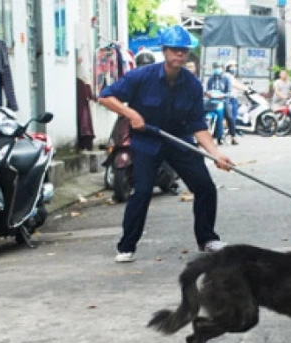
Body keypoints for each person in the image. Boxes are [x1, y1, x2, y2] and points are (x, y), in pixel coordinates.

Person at [98, 25, 233, 263]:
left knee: (205, 187)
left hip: (179, 140)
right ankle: (127, 246)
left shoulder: (191, 84)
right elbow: (106, 96)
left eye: (183, 50)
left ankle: (207, 239)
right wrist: (131, 114)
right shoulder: (142, 76)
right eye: (174, 50)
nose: (179, 55)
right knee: (142, 191)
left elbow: (198, 126)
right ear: (164, 51)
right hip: (147, 141)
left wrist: (216, 154)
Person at [206, 61, 235, 145]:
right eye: (215, 67)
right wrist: (208, 94)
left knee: (229, 116)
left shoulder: (226, 79)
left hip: (223, 100)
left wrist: (223, 96)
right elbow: (208, 89)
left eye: (218, 67)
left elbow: (229, 92)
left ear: (222, 68)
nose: (217, 69)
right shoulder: (211, 79)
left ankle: (233, 136)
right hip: (212, 100)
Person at [224, 60, 247, 143]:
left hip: (233, 98)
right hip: (230, 99)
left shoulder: (231, 76)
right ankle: (232, 136)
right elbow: (234, 84)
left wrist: (246, 87)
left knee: (233, 117)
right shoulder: (227, 76)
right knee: (231, 118)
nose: (234, 68)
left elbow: (237, 83)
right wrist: (245, 88)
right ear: (227, 67)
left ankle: (232, 136)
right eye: (232, 66)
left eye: (235, 66)